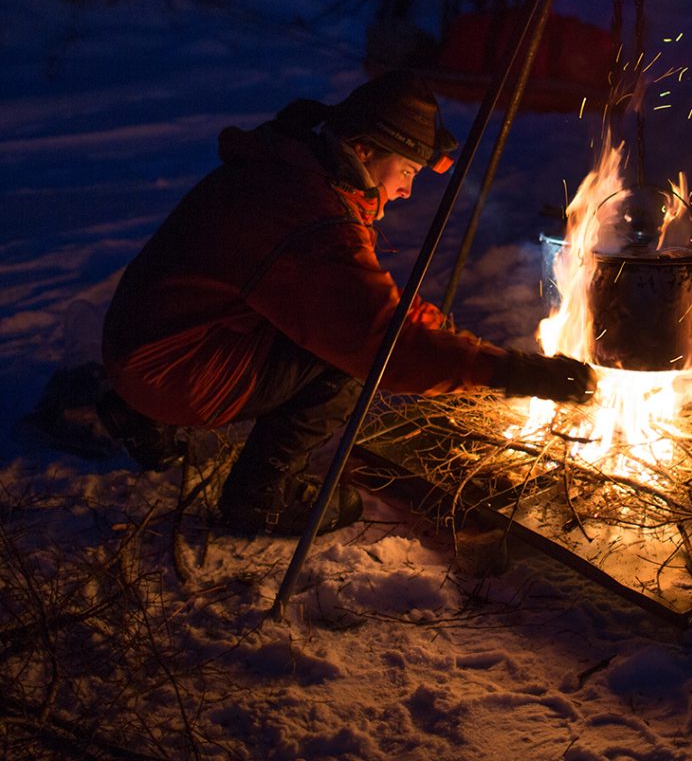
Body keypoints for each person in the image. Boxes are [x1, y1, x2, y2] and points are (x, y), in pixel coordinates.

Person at [100, 71, 595, 536]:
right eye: (406, 170)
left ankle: (140, 416)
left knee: (338, 325)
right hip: (174, 372)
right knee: (348, 358)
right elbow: (383, 341)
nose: (405, 189)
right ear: (362, 149)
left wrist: (446, 339)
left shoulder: (288, 168)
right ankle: (262, 496)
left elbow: (369, 299)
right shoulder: (312, 220)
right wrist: (511, 372)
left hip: (143, 342)